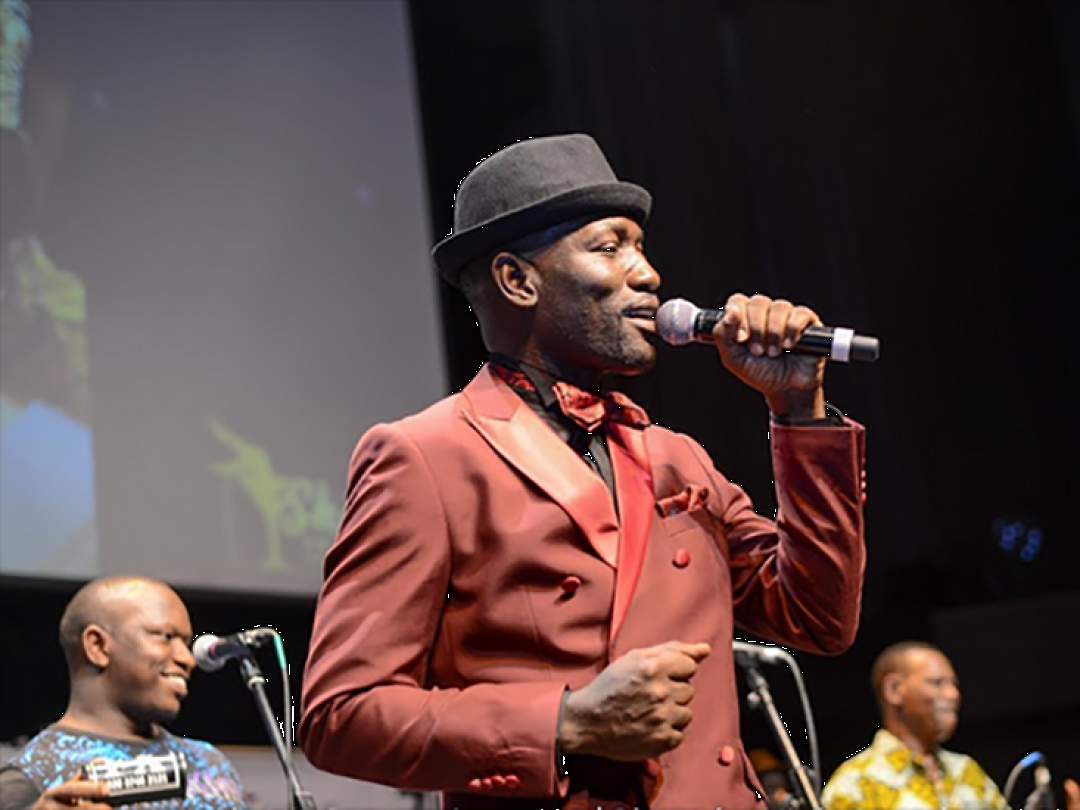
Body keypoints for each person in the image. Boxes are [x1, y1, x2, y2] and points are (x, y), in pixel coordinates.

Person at [299, 133, 867, 810]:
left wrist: (798, 409)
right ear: (518, 280)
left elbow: (818, 618)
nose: (647, 273)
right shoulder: (426, 456)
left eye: (641, 247)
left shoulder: (678, 456)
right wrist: (566, 723)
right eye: (609, 247)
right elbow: (341, 715)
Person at [0, 575, 247, 810]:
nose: (187, 659)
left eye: (185, 643)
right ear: (98, 646)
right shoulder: (32, 774)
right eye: (165, 637)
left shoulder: (210, 762)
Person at [821, 640, 1006, 810]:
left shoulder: (967, 771)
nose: (953, 694)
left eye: (953, 685)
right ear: (893, 690)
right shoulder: (855, 783)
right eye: (937, 683)